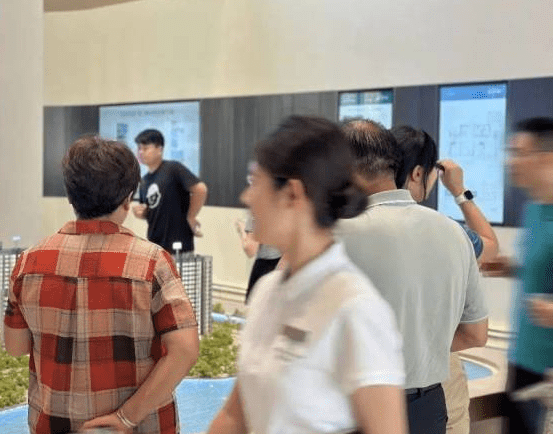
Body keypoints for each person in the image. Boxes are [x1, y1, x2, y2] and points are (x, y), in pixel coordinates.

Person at [208, 116, 407, 434]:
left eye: (255, 183)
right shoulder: (267, 290)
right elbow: (235, 416)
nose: (246, 198)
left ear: (292, 194)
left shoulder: (356, 308)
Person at [4, 135, 199, 434]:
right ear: (128, 198)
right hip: (140, 427)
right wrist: (126, 417)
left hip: (54, 424)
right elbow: (184, 350)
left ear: (70, 196)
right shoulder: (153, 263)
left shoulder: (28, 262)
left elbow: (16, 347)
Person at [336, 119, 488, 434]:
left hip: (356, 408)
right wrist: (423, 347)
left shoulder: (332, 236)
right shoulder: (455, 233)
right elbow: (476, 334)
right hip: (427, 407)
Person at [392, 125, 499, 434]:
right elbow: (490, 246)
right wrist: (459, 191)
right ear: (417, 174)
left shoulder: (353, 226)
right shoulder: (447, 232)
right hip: (434, 369)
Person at [484, 117, 553, 434]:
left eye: (519, 153)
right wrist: (512, 267)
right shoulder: (534, 209)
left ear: (546, 157)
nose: (509, 161)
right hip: (523, 358)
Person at [132, 129, 208, 254]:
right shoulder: (144, 181)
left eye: (145, 148)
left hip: (179, 246)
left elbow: (200, 189)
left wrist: (191, 216)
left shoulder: (173, 169)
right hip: (155, 246)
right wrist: (142, 213)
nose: (141, 152)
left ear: (159, 149)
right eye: (139, 148)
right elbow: (151, 209)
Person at [234, 212, 281, 303]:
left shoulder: (257, 210)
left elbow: (250, 249)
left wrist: (242, 229)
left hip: (264, 269)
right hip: (287, 269)